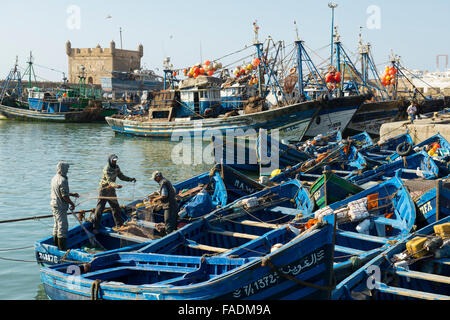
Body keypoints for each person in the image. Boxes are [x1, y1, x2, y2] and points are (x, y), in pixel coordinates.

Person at [92, 154, 136, 233]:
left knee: (115, 207)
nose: (115, 161)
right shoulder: (107, 169)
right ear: (110, 160)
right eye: (113, 160)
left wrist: (130, 179)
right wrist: (116, 185)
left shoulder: (116, 167)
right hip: (104, 190)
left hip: (112, 190)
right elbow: (110, 181)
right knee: (100, 208)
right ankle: (95, 227)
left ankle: (119, 225)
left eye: (116, 160)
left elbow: (121, 176)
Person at [50, 161, 79, 250]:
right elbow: (64, 196)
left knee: (56, 226)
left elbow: (61, 192)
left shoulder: (54, 178)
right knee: (63, 227)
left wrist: (72, 194)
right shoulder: (63, 180)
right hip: (60, 206)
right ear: (63, 169)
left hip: (54, 204)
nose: (67, 170)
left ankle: (55, 246)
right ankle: (62, 249)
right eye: (67, 168)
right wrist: (72, 203)